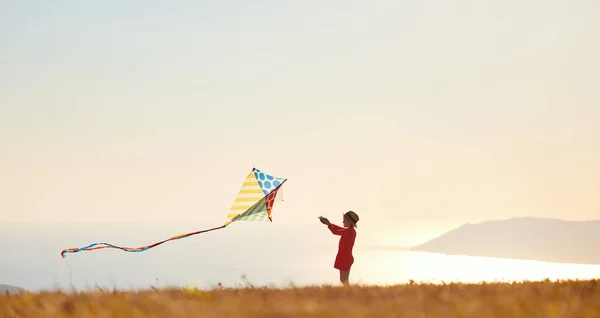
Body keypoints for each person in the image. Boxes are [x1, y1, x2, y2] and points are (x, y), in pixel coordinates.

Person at [319, 210, 359, 286]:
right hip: (345, 257)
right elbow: (338, 229)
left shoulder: (349, 232)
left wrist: (328, 224)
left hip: (345, 257)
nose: (343, 221)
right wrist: (329, 223)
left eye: (344, 220)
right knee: (343, 280)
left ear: (349, 222)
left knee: (344, 280)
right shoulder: (350, 231)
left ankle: (350, 294)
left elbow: (335, 231)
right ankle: (349, 293)